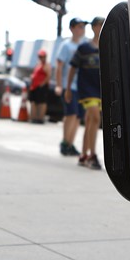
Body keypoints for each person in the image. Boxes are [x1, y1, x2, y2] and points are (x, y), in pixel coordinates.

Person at [66, 31, 102, 170]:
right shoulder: (83, 48)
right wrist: (68, 88)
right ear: (93, 27)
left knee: (90, 121)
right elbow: (72, 68)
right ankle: (92, 155)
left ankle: (83, 154)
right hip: (86, 89)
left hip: (100, 90)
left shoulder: (107, 47)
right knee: (95, 118)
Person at [54, 18, 87, 157]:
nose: (82, 29)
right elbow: (59, 66)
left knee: (79, 116)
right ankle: (65, 142)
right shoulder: (66, 46)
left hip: (82, 86)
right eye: (79, 26)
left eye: (83, 27)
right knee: (71, 114)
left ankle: (71, 143)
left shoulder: (85, 45)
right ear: (72, 28)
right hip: (69, 86)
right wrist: (59, 85)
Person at [28, 49, 50, 124]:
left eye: (42, 56)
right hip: (34, 86)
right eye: (40, 56)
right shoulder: (38, 64)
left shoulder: (46, 65)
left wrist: (42, 84)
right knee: (33, 102)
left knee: (42, 103)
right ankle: (33, 117)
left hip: (41, 87)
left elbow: (48, 76)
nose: (41, 58)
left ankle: (40, 118)